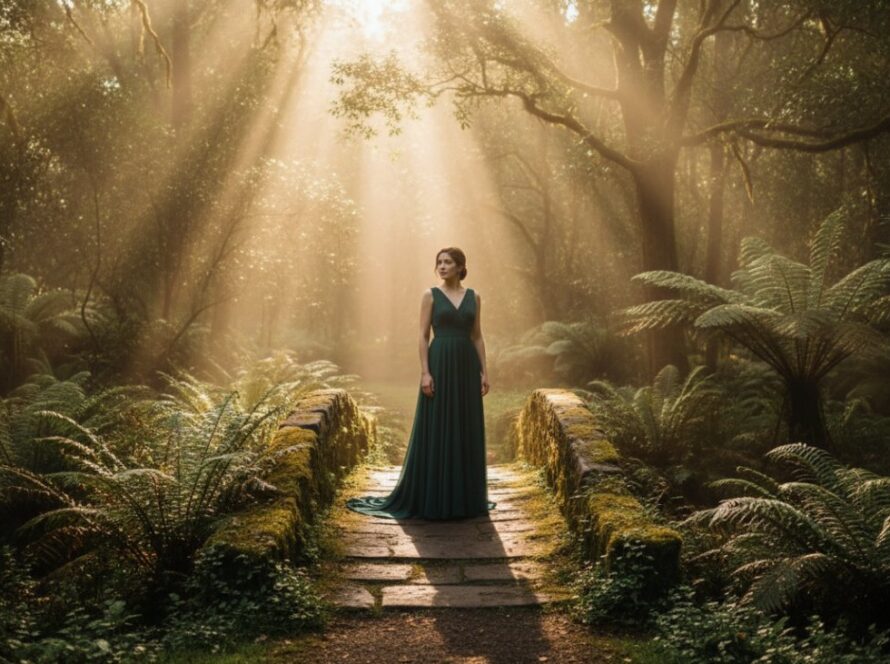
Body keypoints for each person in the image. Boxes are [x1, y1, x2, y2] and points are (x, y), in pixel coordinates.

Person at [345, 247, 497, 520]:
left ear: (461, 266)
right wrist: (425, 373)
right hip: (439, 363)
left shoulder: (474, 297)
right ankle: (435, 496)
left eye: (448, 262)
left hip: (465, 366)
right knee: (439, 424)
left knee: (465, 425)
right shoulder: (430, 295)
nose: (442, 266)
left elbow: (477, 336)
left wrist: (485, 372)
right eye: (439, 262)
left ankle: (465, 498)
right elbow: (422, 335)